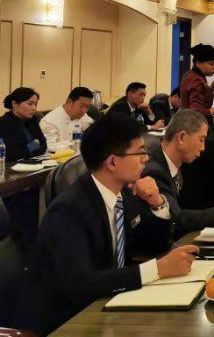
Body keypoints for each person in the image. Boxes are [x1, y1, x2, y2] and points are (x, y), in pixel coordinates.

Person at [11, 114, 197, 336]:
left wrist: (157, 204)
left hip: (109, 303)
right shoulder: (69, 211)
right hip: (66, 321)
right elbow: (81, 284)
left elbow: (150, 244)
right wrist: (157, 269)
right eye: (140, 152)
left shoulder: (120, 194)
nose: (146, 159)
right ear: (112, 162)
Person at [143, 109, 214, 239]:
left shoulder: (184, 165)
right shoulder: (154, 171)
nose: (203, 147)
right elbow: (177, 218)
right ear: (182, 137)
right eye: (201, 139)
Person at [179, 44, 214, 124]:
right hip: (195, 125)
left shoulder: (191, 74)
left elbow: (199, 92)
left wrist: (210, 88)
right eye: (211, 64)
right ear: (198, 63)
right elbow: (196, 112)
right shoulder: (195, 80)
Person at [39, 86, 94, 152]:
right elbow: (50, 147)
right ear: (69, 102)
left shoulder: (84, 117)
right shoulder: (49, 121)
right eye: (81, 106)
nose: (84, 111)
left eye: (87, 107)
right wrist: (73, 144)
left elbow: (93, 134)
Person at [0, 87, 48, 163]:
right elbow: (13, 154)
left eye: (35, 104)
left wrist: (29, 148)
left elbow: (43, 145)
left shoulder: (33, 119)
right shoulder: (4, 123)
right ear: (14, 103)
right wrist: (35, 145)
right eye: (30, 104)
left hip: (35, 163)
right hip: (13, 167)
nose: (34, 108)